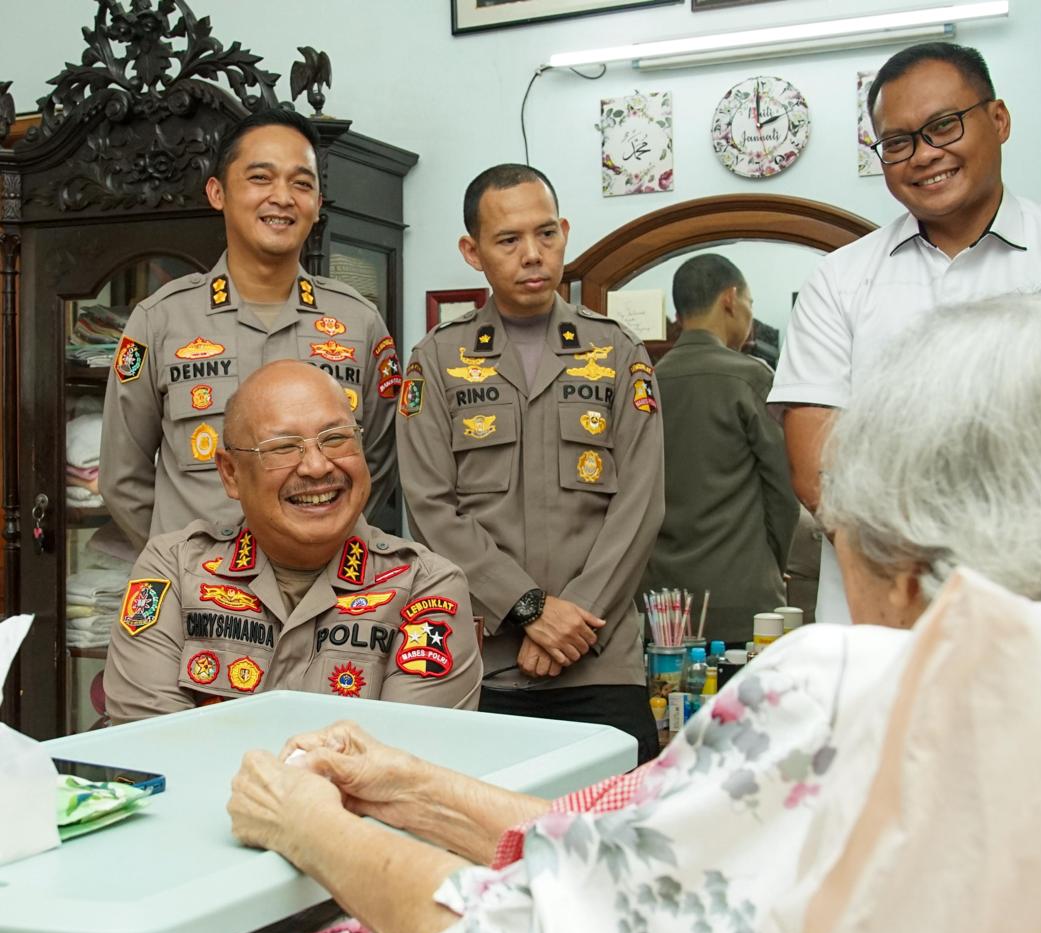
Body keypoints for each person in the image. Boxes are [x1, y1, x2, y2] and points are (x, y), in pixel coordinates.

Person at [95, 294, 1041, 933]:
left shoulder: (852, 683)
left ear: (896, 546)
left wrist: (323, 831)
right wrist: (412, 784)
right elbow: (671, 861)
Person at [767, 41, 1041, 625]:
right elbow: (819, 470)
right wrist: (919, 575)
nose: (924, 155)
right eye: (897, 142)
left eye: (943, 127)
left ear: (997, 121)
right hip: (884, 624)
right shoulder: (840, 279)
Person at [395, 164, 664, 761]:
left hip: (600, 664)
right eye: (509, 240)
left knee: (623, 838)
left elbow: (640, 504)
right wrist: (530, 609)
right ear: (473, 251)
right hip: (485, 662)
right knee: (484, 841)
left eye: (546, 234)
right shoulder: (437, 360)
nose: (533, 255)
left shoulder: (618, 351)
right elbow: (430, 508)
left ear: (565, 231)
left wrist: (573, 622)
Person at [103, 360, 480, 720]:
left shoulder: (426, 586)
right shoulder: (174, 569)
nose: (317, 467)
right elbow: (152, 742)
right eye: (283, 447)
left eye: (335, 439)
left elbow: (403, 762)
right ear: (231, 473)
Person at [100, 108, 402, 553]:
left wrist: (320, 544)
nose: (282, 197)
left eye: (302, 184)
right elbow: (122, 478)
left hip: (327, 598)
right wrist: (186, 561)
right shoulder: (160, 321)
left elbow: (376, 463)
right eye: (261, 178)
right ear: (217, 192)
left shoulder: (359, 322)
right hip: (203, 599)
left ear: (318, 204)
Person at [639, 253, 798, 643]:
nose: (748, 314)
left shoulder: (647, 383)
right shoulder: (750, 378)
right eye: (750, 303)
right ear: (730, 298)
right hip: (742, 597)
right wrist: (771, 564)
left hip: (660, 605)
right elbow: (784, 493)